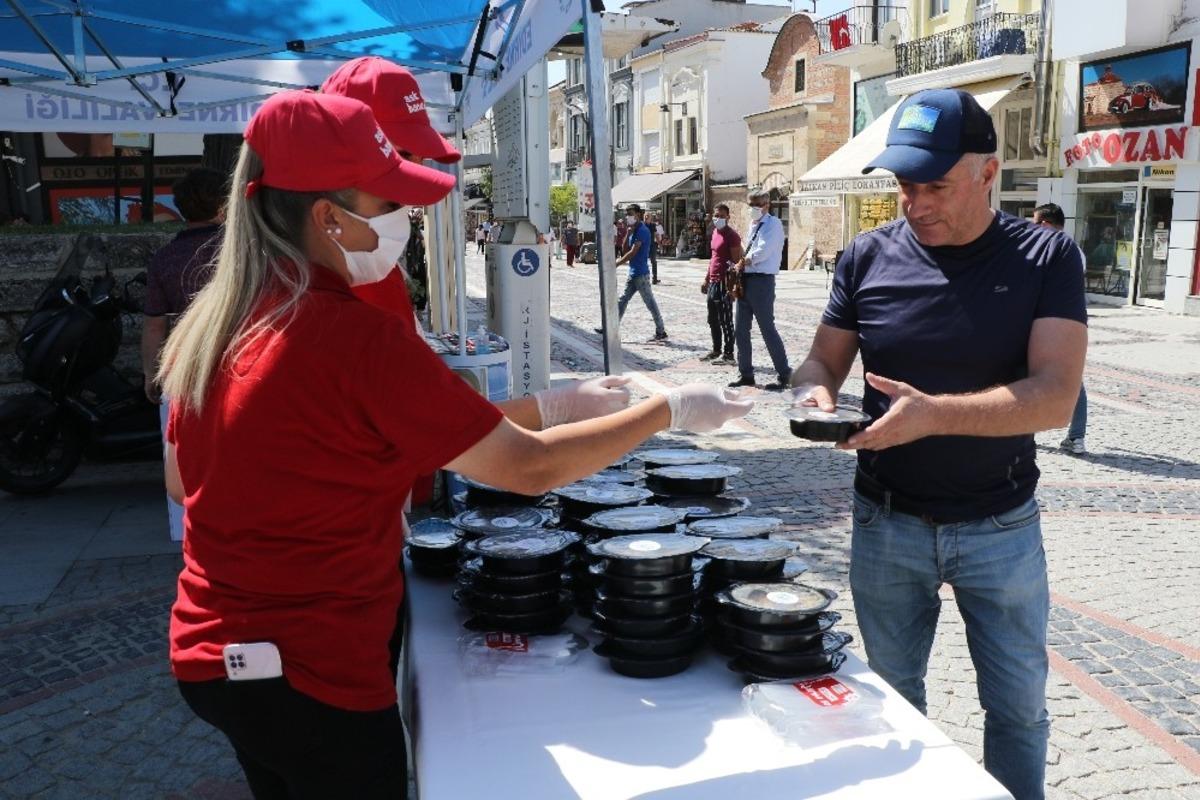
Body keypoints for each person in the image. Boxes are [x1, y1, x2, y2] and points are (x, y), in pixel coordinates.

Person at [158, 90, 754, 799]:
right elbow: (528, 469)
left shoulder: (219, 322)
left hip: (214, 651)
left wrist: (341, 481)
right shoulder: (351, 335)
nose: (402, 220)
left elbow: (183, 480)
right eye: (387, 203)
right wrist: (667, 408)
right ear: (327, 217)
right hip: (311, 666)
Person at [790, 89, 1086, 800]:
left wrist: (934, 416)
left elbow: (1055, 398)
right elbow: (821, 361)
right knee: (893, 703)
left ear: (988, 172)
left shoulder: (1046, 255)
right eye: (904, 185)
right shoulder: (866, 255)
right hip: (885, 520)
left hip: (1001, 527)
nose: (915, 203)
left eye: (936, 186)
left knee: (1017, 710)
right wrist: (812, 395)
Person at [322, 56, 461, 333]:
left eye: (419, 157)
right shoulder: (333, 277)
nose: (414, 173)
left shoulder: (367, 265)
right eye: (402, 155)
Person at [141, 166, 226, 543]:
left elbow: (154, 324)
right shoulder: (242, 250)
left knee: (189, 451)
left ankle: (192, 526)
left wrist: (150, 374)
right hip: (241, 357)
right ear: (223, 206)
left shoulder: (165, 259)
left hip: (186, 364)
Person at [1034, 202, 1088, 455]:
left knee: (1025, 376)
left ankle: (1022, 434)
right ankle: (1077, 437)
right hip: (1072, 324)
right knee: (1074, 379)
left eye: (1035, 223)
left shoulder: (1042, 249)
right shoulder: (1076, 250)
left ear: (1045, 224)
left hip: (1042, 324)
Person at [728, 187, 792, 391]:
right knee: (741, 329)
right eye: (751, 205)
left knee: (767, 328)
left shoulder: (773, 224)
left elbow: (763, 252)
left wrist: (744, 261)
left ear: (767, 205)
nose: (754, 208)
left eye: (758, 205)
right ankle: (746, 373)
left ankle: (785, 373)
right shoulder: (753, 225)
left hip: (762, 281)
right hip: (747, 279)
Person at [596, 204, 668, 342]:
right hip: (634, 273)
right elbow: (625, 250)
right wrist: (628, 234)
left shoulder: (643, 231)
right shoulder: (634, 231)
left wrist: (616, 264)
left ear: (638, 215)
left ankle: (661, 330)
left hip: (641, 274)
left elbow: (633, 252)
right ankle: (610, 327)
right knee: (622, 300)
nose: (628, 217)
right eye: (627, 214)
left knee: (650, 303)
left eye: (631, 214)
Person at [703, 203, 742, 363]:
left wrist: (732, 287)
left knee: (725, 320)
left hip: (724, 282)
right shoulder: (714, 232)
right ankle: (716, 349)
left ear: (728, 217)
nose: (718, 218)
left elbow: (736, 262)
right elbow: (713, 258)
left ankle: (729, 354)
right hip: (713, 281)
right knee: (712, 319)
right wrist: (706, 279)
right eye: (716, 215)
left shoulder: (732, 236)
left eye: (721, 216)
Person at [648, 212, 661, 284]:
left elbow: (656, 235)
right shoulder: (642, 225)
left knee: (653, 261)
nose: (647, 217)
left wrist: (659, 244)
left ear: (650, 218)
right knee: (643, 261)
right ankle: (644, 277)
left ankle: (654, 278)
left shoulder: (653, 225)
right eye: (646, 216)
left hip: (652, 245)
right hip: (644, 245)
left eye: (648, 216)